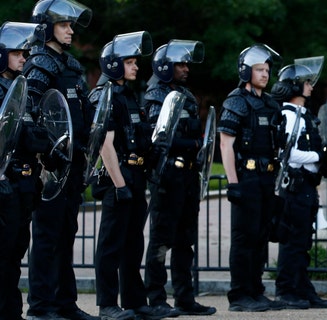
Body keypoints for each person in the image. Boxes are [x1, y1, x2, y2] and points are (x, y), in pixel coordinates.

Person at [89, 31, 174, 320]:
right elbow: (105, 144)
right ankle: (107, 305)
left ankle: (135, 302)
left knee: (133, 244)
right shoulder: (106, 96)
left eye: (135, 61)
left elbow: (136, 137)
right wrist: (119, 184)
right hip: (119, 178)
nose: (136, 66)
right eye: (129, 61)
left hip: (135, 176)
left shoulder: (128, 96)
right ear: (113, 64)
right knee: (111, 245)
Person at [22, 1, 98, 319]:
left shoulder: (71, 66)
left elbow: (86, 111)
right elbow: (27, 116)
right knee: (47, 236)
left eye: (71, 25)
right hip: (49, 169)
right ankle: (41, 305)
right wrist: (44, 158)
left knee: (67, 235)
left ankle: (65, 303)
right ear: (46, 26)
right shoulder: (39, 65)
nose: (70, 31)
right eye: (64, 25)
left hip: (73, 164)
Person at [143, 39, 216, 316]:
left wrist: (199, 150)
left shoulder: (186, 95)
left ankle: (185, 298)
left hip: (188, 176)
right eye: (180, 64)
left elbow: (197, 133)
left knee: (186, 241)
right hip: (167, 176)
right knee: (162, 240)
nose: (186, 69)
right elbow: (159, 137)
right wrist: (190, 145)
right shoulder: (155, 96)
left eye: (187, 64)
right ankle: (157, 298)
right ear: (164, 67)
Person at [218, 43, 284, 312]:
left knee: (260, 237)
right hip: (246, 177)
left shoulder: (269, 103)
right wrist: (233, 182)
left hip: (267, 178)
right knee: (244, 239)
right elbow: (225, 144)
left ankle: (256, 291)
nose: (265, 74)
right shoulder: (236, 101)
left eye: (267, 70)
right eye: (259, 69)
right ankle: (239, 295)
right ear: (246, 71)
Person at [270, 58, 327, 309]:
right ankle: (286, 290)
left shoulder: (304, 116)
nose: (310, 86)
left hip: (307, 187)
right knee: (293, 242)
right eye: (306, 82)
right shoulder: (288, 116)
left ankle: (302, 288)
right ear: (293, 86)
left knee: (303, 242)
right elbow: (288, 154)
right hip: (294, 188)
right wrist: (319, 157)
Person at [0, 21, 44, 320]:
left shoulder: (23, 90)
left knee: (15, 255)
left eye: (25, 53)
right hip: (5, 182)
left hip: (25, 184)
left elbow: (35, 132)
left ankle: (12, 313)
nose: (23, 58)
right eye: (17, 54)